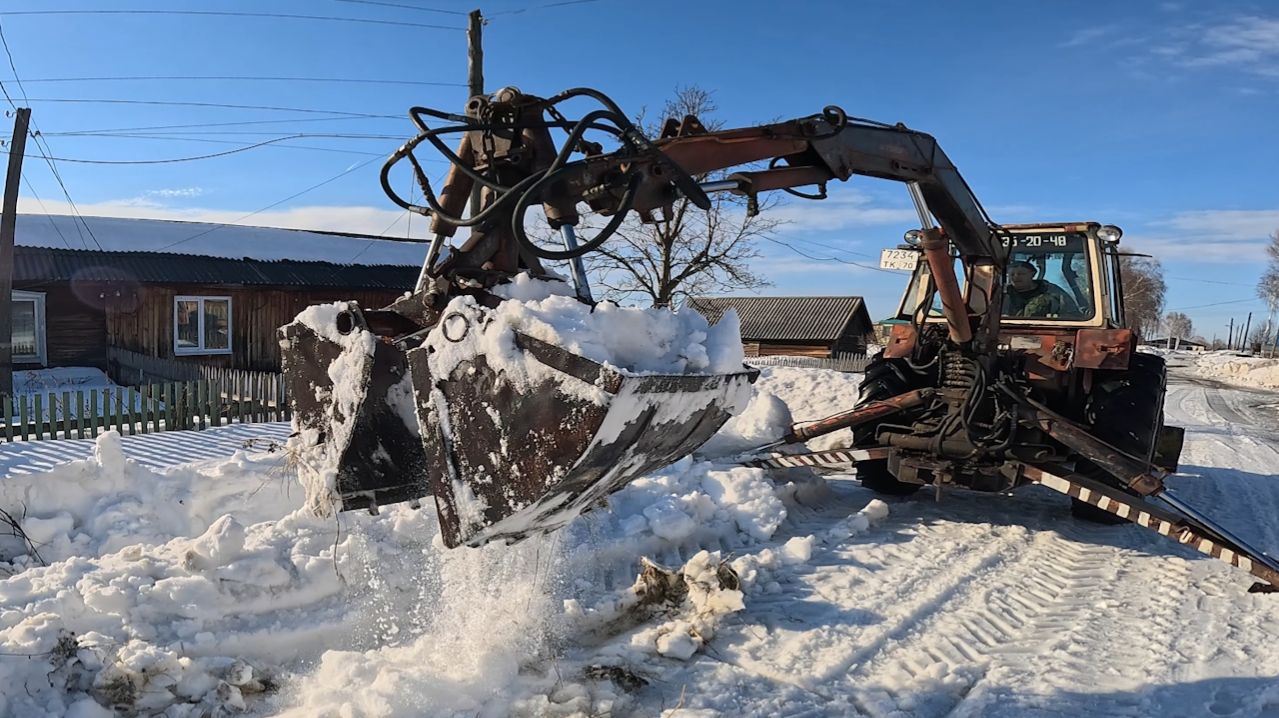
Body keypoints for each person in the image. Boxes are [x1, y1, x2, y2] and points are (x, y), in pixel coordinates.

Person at [1004, 260, 1078, 318]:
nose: (1016, 277)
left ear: (1033, 274)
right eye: (1012, 274)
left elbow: (1073, 316)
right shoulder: (1000, 294)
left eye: (1021, 274)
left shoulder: (1053, 293)